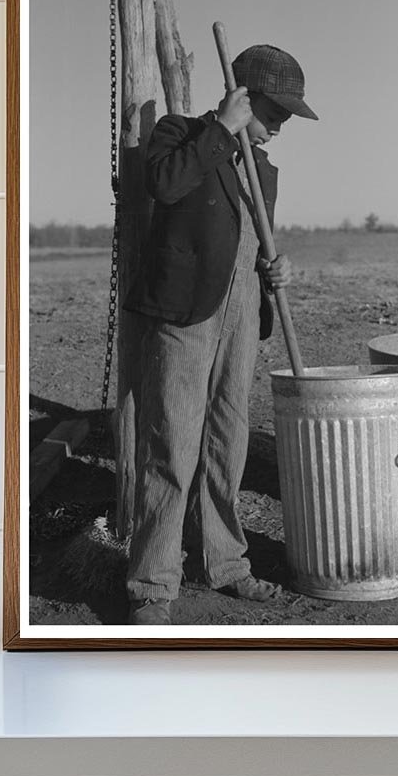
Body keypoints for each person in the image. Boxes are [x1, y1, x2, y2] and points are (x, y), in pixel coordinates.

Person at [122, 43, 319, 625]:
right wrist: (220, 131)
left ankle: (227, 564)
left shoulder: (265, 172)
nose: (281, 125)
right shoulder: (178, 135)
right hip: (185, 313)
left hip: (241, 314)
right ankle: (152, 585)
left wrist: (275, 268)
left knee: (227, 445)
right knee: (171, 444)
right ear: (243, 95)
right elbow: (163, 186)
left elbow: (250, 243)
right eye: (275, 111)